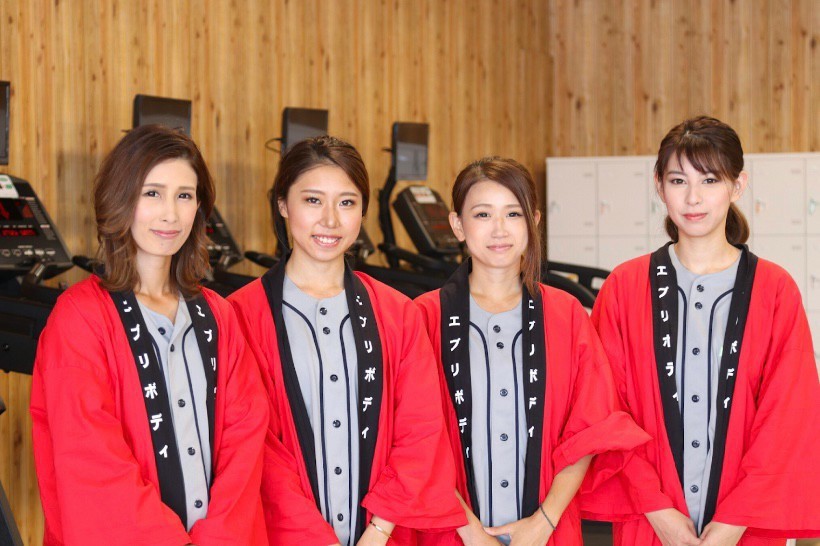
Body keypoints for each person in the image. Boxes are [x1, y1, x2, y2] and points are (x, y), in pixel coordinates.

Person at [30, 125, 268, 545]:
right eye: (152, 193)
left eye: (184, 195)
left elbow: (244, 445)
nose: (170, 214)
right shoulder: (80, 318)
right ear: (120, 199)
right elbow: (91, 462)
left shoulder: (220, 315)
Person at [589, 115, 820, 545]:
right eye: (678, 181)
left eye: (710, 180)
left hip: (747, 528)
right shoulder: (624, 288)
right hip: (649, 525)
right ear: (659, 186)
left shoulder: (774, 290)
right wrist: (658, 510)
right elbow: (604, 409)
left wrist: (733, 522)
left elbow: (787, 418)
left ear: (738, 185)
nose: (693, 197)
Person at [228, 135, 466, 545]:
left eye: (347, 202)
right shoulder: (239, 316)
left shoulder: (397, 314)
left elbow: (421, 431)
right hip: (280, 536)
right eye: (313, 200)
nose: (331, 220)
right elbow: (256, 448)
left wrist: (380, 530)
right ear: (282, 204)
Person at [415, 156, 649, 545]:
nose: (499, 229)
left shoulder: (565, 314)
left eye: (513, 213)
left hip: (548, 533)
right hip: (450, 533)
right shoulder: (423, 317)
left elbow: (589, 427)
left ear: (534, 221)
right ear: (457, 224)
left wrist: (544, 522)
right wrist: (470, 533)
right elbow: (415, 437)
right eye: (483, 214)